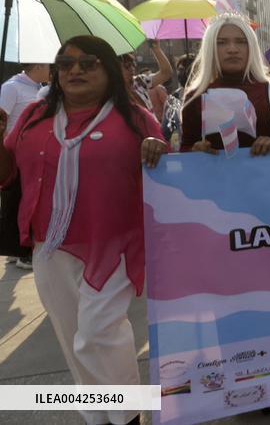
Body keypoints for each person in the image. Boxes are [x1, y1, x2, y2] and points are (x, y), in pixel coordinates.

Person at [0, 35, 168, 425]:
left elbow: (165, 164)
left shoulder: (136, 117)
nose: (74, 70)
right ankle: (99, 416)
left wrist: (157, 148)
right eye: (65, 63)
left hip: (116, 243)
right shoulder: (32, 117)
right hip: (49, 246)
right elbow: (6, 176)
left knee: (98, 333)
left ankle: (127, 415)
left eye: (88, 63)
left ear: (108, 71)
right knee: (73, 337)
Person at [181, 14, 270, 154]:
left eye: (241, 41)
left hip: (267, 175)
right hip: (214, 175)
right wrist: (194, 150)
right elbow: (184, 148)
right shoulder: (195, 96)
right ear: (210, 48)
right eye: (221, 42)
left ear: (251, 46)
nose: (232, 49)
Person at [1, 63, 50, 269]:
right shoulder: (12, 87)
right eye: (49, 65)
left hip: (28, 154)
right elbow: (2, 117)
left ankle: (15, 248)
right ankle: (20, 253)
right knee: (15, 200)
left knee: (23, 200)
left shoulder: (37, 87)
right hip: (11, 154)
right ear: (38, 65)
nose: (52, 69)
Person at [120, 40, 173, 114]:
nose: (132, 69)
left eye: (133, 64)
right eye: (127, 66)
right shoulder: (112, 93)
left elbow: (166, 73)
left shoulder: (139, 81)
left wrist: (156, 49)